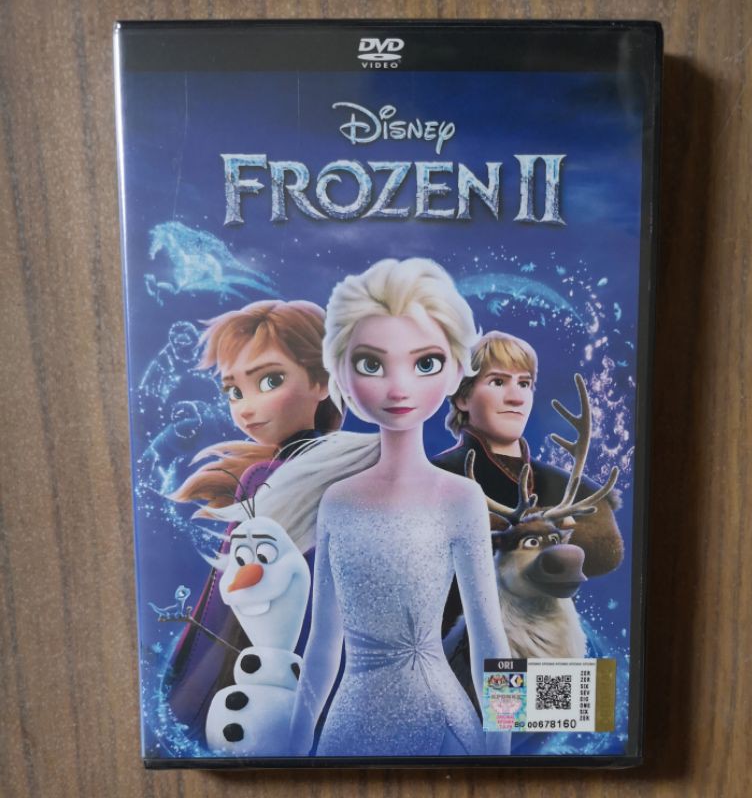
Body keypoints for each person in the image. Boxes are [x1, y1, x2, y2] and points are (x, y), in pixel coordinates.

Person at [213, 258, 511, 757]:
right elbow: (323, 643)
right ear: (341, 377)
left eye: (426, 363)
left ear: (456, 371)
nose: (398, 388)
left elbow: (489, 638)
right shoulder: (338, 500)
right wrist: (297, 745)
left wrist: (501, 749)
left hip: (444, 722)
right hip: (350, 722)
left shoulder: (461, 498)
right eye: (371, 364)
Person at [167, 299, 342, 739]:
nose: (245, 408)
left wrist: (186, 686)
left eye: (270, 380)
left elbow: (221, 606)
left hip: (269, 658)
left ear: (322, 381)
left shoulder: (270, 476)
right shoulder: (272, 474)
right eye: (234, 391)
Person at [432, 330, 623, 634]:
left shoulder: (565, 485)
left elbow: (606, 552)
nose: (516, 397)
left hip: (547, 648)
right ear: (462, 397)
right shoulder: (432, 478)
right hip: (455, 651)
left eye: (524, 383)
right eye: (498, 382)